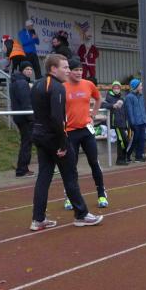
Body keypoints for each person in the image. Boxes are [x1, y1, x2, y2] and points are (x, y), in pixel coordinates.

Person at [30, 53, 102, 230]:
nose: (68, 71)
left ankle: (38, 219)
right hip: (54, 138)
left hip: (39, 135)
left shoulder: (37, 84)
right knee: (70, 175)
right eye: (65, 67)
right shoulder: (58, 87)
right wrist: (63, 144)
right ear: (53, 69)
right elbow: (57, 118)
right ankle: (81, 215)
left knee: (44, 176)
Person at [63, 57, 108, 209]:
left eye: (81, 70)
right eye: (76, 70)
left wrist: (93, 115)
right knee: (71, 166)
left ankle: (101, 194)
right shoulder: (62, 87)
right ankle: (70, 196)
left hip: (87, 131)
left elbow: (98, 98)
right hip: (70, 132)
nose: (79, 72)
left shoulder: (88, 84)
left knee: (94, 162)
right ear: (69, 71)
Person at [9, 62, 35, 177]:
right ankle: (22, 169)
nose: (29, 71)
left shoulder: (18, 81)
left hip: (20, 116)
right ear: (22, 70)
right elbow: (26, 101)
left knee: (26, 142)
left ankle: (23, 168)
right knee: (27, 143)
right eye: (27, 69)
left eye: (31, 69)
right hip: (25, 117)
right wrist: (31, 117)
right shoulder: (22, 83)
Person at [102, 81, 131, 166]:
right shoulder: (109, 97)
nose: (116, 89)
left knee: (123, 141)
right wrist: (113, 105)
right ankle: (120, 159)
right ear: (112, 88)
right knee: (123, 141)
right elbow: (103, 104)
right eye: (115, 87)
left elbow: (124, 112)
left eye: (118, 88)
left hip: (122, 123)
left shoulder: (122, 98)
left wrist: (126, 124)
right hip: (116, 123)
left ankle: (123, 158)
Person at [125, 78, 146, 162]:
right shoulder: (129, 97)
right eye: (140, 86)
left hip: (142, 122)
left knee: (142, 139)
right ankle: (127, 155)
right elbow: (129, 111)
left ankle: (139, 156)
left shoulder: (141, 96)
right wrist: (132, 123)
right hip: (135, 123)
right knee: (133, 140)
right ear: (136, 87)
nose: (142, 87)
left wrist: (145, 120)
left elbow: (143, 109)